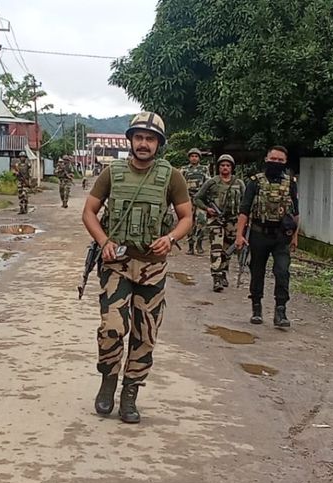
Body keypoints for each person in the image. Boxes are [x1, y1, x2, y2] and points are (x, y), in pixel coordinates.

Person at [81, 112, 193, 424]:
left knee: (145, 334)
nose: (144, 144)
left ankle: (130, 393)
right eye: (139, 137)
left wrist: (170, 238)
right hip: (116, 264)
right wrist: (103, 241)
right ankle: (108, 381)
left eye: (150, 138)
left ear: (159, 143)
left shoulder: (172, 176)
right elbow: (89, 211)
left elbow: (187, 217)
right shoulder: (112, 172)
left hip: (152, 268)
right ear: (130, 140)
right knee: (113, 327)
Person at [234, 146, 299, 329]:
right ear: (266, 159)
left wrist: (295, 236)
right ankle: (256, 307)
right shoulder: (255, 182)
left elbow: (296, 212)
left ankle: (281, 310)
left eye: (280, 160)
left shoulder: (290, 183)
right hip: (258, 234)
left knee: (282, 271)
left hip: (281, 236)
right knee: (257, 271)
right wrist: (239, 235)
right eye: (273, 159)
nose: (276, 163)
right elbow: (244, 210)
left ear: (285, 162)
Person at [194, 154, 245, 292]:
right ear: (218, 167)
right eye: (222, 165)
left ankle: (223, 273)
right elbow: (197, 198)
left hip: (233, 221)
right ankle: (216, 277)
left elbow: (246, 203)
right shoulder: (212, 182)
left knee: (227, 250)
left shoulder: (239, 183)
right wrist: (207, 209)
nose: (225, 168)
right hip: (216, 220)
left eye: (228, 165)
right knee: (216, 248)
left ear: (232, 167)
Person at [181, 148, 211, 255]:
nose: (194, 158)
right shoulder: (184, 169)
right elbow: (180, 184)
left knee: (202, 221)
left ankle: (199, 243)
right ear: (189, 158)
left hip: (200, 199)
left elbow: (208, 183)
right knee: (189, 223)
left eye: (196, 156)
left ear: (199, 158)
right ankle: (190, 246)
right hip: (188, 199)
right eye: (192, 156)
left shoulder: (204, 169)